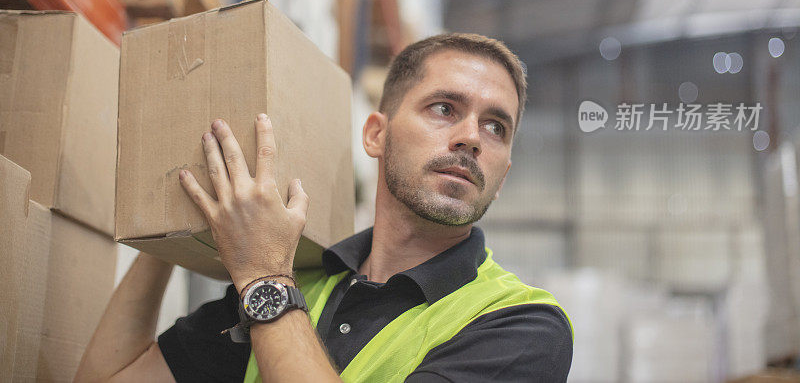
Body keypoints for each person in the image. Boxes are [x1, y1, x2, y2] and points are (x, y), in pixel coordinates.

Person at [75, 33, 573, 383]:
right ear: (377, 135)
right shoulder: (306, 283)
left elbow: (266, 281)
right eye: (444, 108)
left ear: (502, 176)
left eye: (496, 127)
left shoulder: (522, 326)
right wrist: (180, 223)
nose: (470, 138)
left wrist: (264, 276)